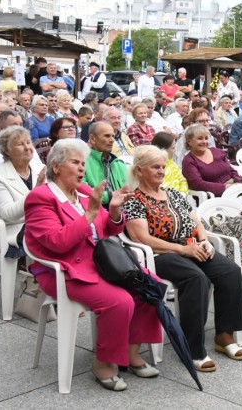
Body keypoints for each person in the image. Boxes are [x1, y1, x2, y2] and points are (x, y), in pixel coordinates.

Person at [24, 138, 161, 391]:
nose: (82, 169)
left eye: (83, 163)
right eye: (75, 163)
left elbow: (110, 228)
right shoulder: (40, 198)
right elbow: (56, 242)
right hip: (64, 270)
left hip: (100, 263)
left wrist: (116, 212)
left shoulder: (84, 193)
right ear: (56, 167)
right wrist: (90, 214)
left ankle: (130, 353)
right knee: (120, 300)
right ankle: (104, 362)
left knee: (151, 286)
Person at [124, 145, 242, 372]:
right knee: (196, 278)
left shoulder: (173, 194)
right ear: (140, 171)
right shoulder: (134, 200)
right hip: (161, 255)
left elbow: (196, 220)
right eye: (155, 167)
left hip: (190, 247)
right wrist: (182, 250)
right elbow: (142, 238)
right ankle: (193, 347)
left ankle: (224, 334)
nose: (161, 171)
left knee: (229, 271)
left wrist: (204, 241)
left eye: (163, 166)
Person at [0, 126, 46, 259]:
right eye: (20, 144)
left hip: (39, 222)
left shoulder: (40, 169)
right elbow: (8, 215)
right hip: (11, 229)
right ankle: (41, 274)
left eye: (28, 142)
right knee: (53, 236)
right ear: (7, 151)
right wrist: (34, 193)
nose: (27, 148)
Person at [182, 124, 242, 196]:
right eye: (200, 138)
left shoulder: (217, 151)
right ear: (189, 141)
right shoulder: (189, 161)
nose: (204, 142)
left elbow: (231, 170)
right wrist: (225, 187)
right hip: (215, 195)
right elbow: (197, 184)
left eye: (206, 138)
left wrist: (239, 182)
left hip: (234, 186)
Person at [83, 121, 128, 206]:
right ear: (92, 139)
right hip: (96, 212)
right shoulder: (82, 162)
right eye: (107, 136)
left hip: (123, 213)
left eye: (113, 136)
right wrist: (112, 195)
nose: (112, 140)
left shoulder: (120, 164)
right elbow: (83, 195)